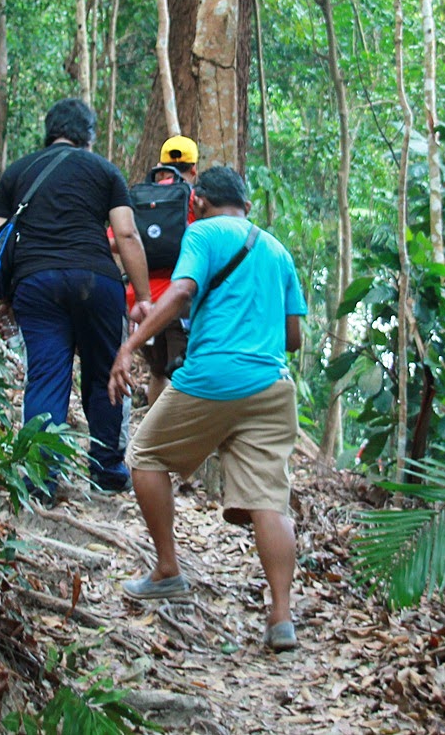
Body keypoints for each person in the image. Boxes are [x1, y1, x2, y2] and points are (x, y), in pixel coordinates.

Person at [108, 166, 307, 652]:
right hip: (273, 386)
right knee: (269, 500)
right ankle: (281, 618)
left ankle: (168, 569)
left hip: (211, 377)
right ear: (248, 206)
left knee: (145, 455)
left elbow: (181, 292)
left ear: (196, 202)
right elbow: (295, 337)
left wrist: (131, 344)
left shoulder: (201, 233)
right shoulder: (278, 250)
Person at [0, 99, 152, 496]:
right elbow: (127, 235)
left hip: (35, 284)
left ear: (50, 131)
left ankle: (42, 478)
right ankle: (108, 473)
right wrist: (144, 296)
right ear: (89, 137)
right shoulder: (105, 172)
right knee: (104, 375)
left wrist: (5, 297)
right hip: (97, 282)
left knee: (46, 376)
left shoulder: (15, 174)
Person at [125, 135, 201, 405]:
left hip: (142, 305)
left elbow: (116, 240)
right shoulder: (196, 201)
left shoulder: (137, 198)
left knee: (158, 373)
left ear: (159, 167)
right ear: (194, 169)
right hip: (180, 303)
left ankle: (153, 439)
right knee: (185, 377)